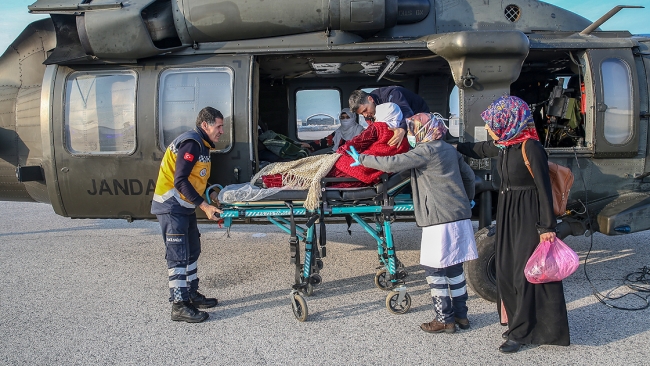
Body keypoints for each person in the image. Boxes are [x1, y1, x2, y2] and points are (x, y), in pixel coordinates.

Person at [455, 95, 569, 353]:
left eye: (493, 123)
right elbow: (480, 149)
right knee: (507, 270)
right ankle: (518, 321)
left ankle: (522, 332)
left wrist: (547, 228)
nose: (489, 128)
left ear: (509, 121)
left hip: (528, 215)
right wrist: (454, 147)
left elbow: (543, 189)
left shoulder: (531, 147)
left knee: (524, 273)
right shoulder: (506, 145)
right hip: (508, 213)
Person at [348, 112, 477, 333]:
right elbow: (469, 177)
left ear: (422, 130)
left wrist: (362, 159)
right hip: (459, 215)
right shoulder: (448, 149)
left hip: (438, 220)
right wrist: (468, 198)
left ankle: (444, 319)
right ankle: (461, 316)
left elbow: (392, 164)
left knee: (434, 268)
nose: (410, 134)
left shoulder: (425, 151)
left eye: (411, 129)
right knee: (455, 267)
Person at [151, 107, 224, 323]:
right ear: (205, 125)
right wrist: (205, 207)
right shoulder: (192, 143)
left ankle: (191, 293)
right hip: (171, 206)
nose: (221, 131)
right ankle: (179, 305)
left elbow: (196, 179)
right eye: (218, 126)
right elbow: (180, 180)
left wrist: (212, 194)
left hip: (184, 206)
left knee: (192, 249)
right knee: (178, 255)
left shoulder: (203, 145)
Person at [325, 102, 409, 187]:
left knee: (327, 169)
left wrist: (338, 153)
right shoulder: (403, 138)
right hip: (378, 172)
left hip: (364, 165)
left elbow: (356, 144)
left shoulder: (379, 127)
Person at [348, 86, 430, 146]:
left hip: (418, 114)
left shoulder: (391, 94)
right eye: (362, 114)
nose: (365, 115)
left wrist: (402, 129)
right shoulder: (369, 113)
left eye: (365, 110)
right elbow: (374, 126)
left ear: (370, 99)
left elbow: (406, 111)